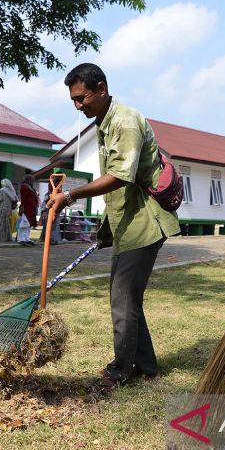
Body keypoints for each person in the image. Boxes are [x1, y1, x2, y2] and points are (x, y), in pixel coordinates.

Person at [47, 63, 180, 392]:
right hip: (126, 223)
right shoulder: (105, 124)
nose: (79, 106)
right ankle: (147, 367)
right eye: (74, 101)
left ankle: (121, 371)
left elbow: (120, 176)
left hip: (144, 223)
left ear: (102, 88)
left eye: (83, 98)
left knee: (123, 298)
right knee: (127, 299)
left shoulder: (124, 121)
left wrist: (72, 195)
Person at [17, 174, 38, 245]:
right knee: (23, 224)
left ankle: (26, 238)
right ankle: (20, 239)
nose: (33, 180)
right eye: (32, 179)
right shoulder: (24, 187)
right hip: (26, 208)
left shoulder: (31, 187)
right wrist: (22, 207)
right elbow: (23, 198)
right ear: (29, 179)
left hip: (32, 208)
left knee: (29, 224)